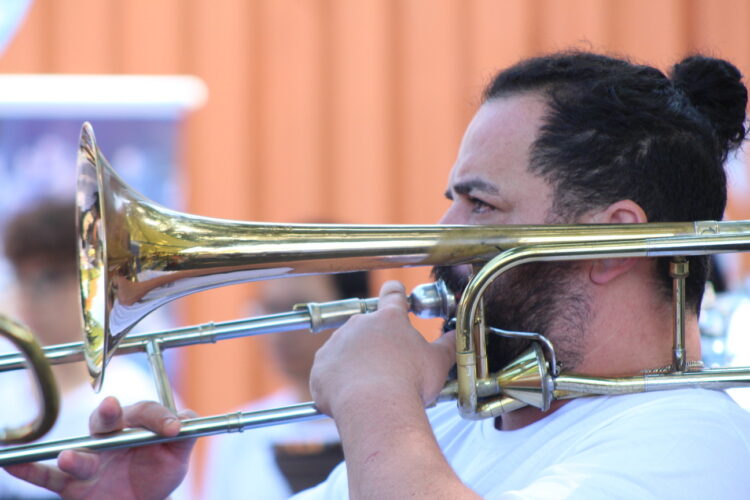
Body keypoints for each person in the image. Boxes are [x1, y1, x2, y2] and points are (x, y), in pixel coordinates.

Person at [7, 50, 750, 499]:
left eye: (480, 204)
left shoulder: (694, 441)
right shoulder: (456, 430)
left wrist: (375, 399)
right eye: (450, 199)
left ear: (611, 244)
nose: (442, 237)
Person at [0, 199, 192, 499]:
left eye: (48, 278)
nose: (27, 294)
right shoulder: (4, 393)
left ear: (92, 279)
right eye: (20, 277)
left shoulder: (138, 397)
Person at [203, 272, 369, 498]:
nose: (281, 330)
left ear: (354, 311)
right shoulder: (237, 437)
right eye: (270, 308)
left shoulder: (397, 424)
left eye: (303, 311)